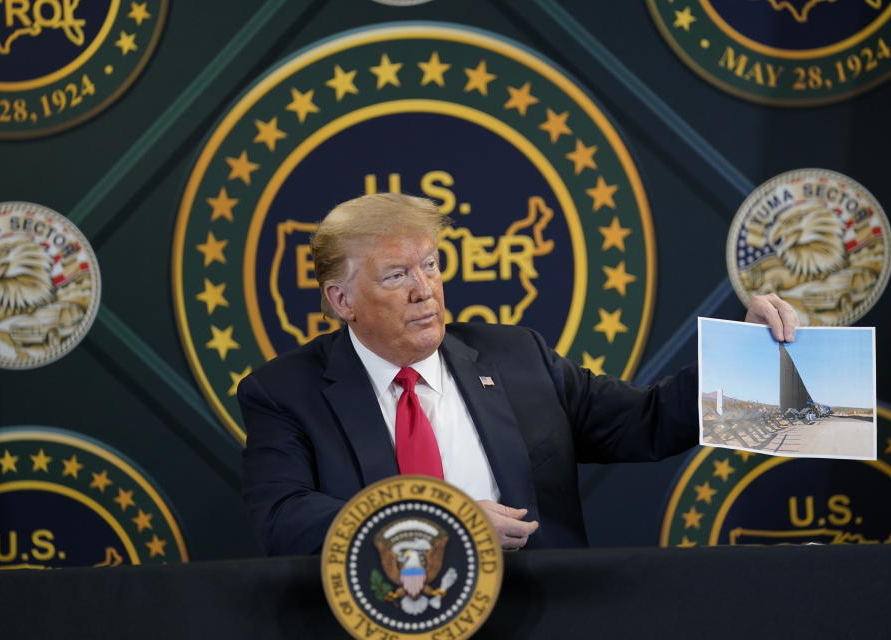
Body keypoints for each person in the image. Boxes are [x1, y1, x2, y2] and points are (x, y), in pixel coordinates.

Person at [239, 193, 798, 556]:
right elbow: (283, 519)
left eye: (430, 266)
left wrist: (742, 353)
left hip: (538, 617)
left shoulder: (516, 356)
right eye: (395, 276)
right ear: (341, 299)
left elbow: (648, 421)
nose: (424, 289)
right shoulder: (286, 392)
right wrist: (440, 520)